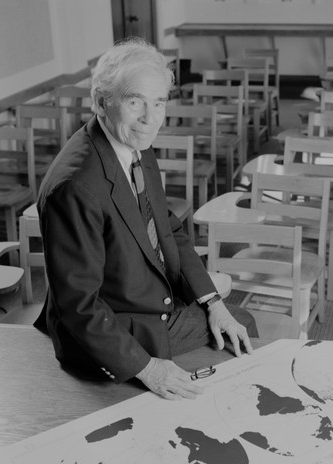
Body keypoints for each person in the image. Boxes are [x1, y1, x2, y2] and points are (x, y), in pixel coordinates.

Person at [34, 37, 258, 400]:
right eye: (135, 101)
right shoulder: (76, 186)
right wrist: (148, 368)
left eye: (159, 102)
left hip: (145, 294)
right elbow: (78, 305)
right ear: (101, 102)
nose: (150, 118)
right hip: (114, 328)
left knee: (231, 319)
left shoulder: (130, 141)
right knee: (246, 327)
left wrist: (211, 302)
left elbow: (166, 227)